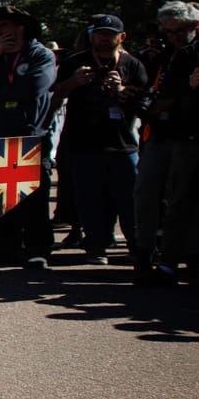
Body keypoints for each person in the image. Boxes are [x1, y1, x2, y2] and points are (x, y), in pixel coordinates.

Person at [51, 14, 149, 266]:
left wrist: (120, 90)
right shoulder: (75, 62)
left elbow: (145, 103)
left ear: (121, 37)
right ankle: (96, 246)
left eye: (109, 34)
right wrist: (74, 81)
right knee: (89, 200)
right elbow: (55, 96)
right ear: (91, 35)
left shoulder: (133, 65)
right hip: (84, 143)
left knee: (129, 200)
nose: (104, 38)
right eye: (99, 33)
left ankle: (137, 248)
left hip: (122, 143)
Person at [0, 6, 57, 269]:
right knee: (2, 196)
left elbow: (32, 87)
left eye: (4, 26)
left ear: (20, 28)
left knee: (33, 198)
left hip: (29, 131)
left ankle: (37, 249)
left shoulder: (40, 55)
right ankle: (3, 247)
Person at [134, 1, 199, 284]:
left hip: (190, 137)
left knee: (179, 200)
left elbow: (173, 95)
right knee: (145, 193)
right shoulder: (162, 54)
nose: (174, 36)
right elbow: (152, 91)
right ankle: (143, 253)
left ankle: (171, 263)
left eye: (180, 31)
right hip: (158, 134)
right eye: (168, 32)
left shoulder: (198, 53)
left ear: (195, 26)